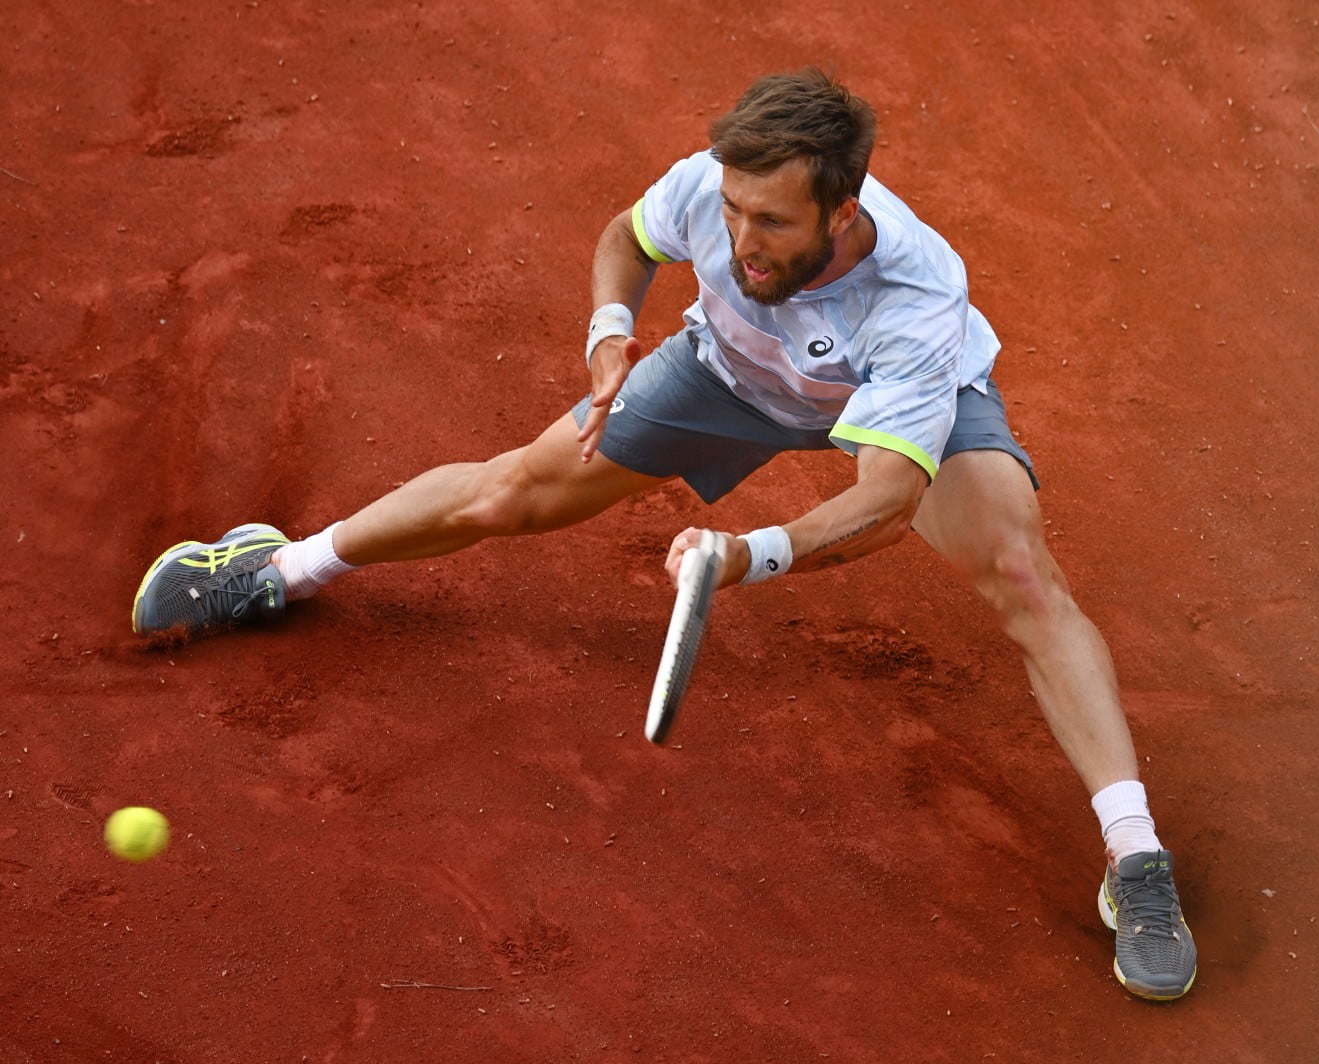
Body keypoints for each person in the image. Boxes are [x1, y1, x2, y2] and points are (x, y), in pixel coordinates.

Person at [132, 69, 1197, 1001]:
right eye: (734, 210)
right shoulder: (712, 186)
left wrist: (749, 551)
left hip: (893, 400)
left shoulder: (919, 298)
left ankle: (1135, 858)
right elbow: (625, 241)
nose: (742, 241)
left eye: (774, 223)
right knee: (513, 491)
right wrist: (608, 344)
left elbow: (886, 498)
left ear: (844, 205)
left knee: (1021, 574)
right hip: (728, 372)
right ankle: (276, 566)